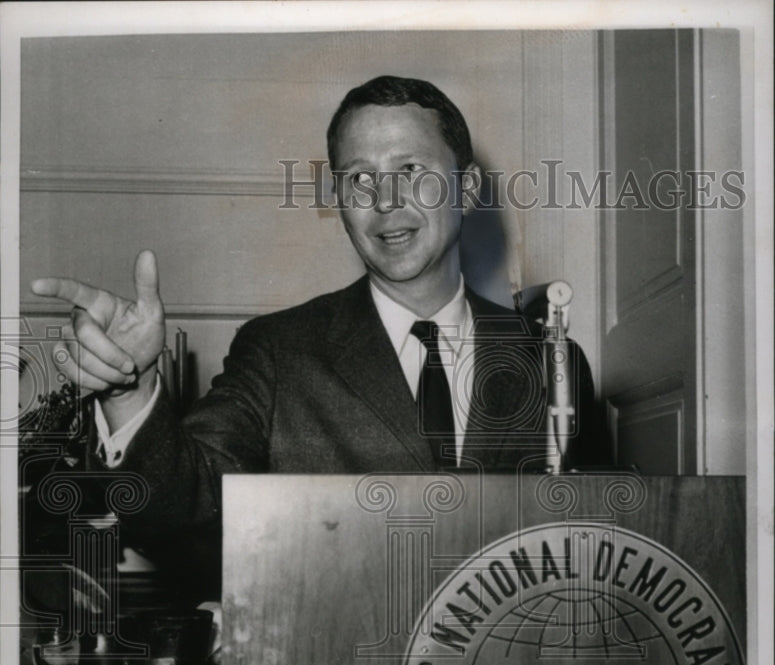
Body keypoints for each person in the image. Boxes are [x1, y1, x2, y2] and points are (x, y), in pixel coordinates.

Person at [31, 75, 605, 599]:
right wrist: (128, 391)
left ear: (468, 186)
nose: (384, 201)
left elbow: (604, 548)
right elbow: (181, 505)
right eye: (359, 179)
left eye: (410, 171)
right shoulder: (279, 351)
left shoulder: (551, 360)